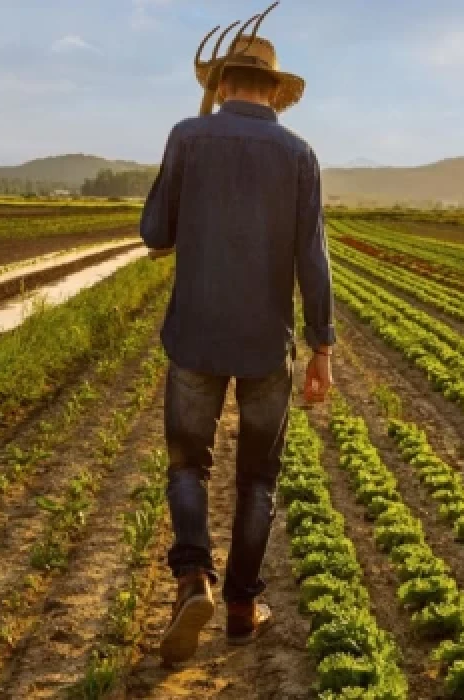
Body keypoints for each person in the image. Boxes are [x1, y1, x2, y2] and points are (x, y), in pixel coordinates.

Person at [140, 7, 334, 664]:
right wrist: (323, 348)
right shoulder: (301, 155)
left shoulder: (187, 136)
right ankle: (244, 607)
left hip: (194, 335)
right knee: (259, 478)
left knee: (187, 465)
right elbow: (313, 258)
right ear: (274, 92)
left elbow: (154, 233)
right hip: (265, 346)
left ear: (222, 84)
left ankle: (194, 577)